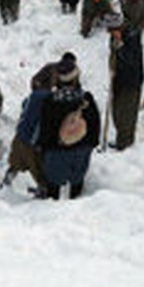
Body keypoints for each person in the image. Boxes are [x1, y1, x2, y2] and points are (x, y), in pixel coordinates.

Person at [37, 60, 101, 199]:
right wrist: (89, 146)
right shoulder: (86, 99)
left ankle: (50, 205)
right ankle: (75, 200)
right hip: (79, 156)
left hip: (56, 155)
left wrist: (44, 151)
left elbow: (44, 134)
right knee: (77, 187)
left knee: (52, 188)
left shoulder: (50, 102)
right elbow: (95, 129)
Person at [108, 15, 144, 150]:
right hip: (119, 79)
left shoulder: (132, 37)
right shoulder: (115, 36)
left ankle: (125, 143)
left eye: (112, 30)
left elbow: (131, 61)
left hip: (131, 80)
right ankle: (120, 138)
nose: (111, 33)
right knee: (116, 111)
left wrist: (120, 46)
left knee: (127, 113)